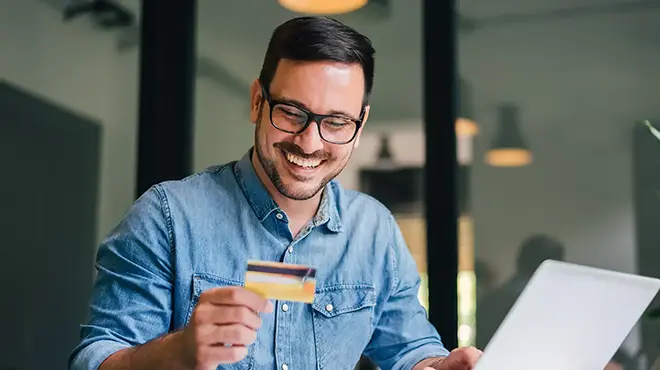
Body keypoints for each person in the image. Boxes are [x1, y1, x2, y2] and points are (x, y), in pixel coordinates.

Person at [68, 16, 481, 370]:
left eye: (336, 122)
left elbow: (409, 348)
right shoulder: (167, 217)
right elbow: (97, 358)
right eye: (291, 112)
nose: (309, 142)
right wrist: (177, 353)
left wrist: (439, 365)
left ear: (360, 123)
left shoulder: (374, 229)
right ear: (256, 102)